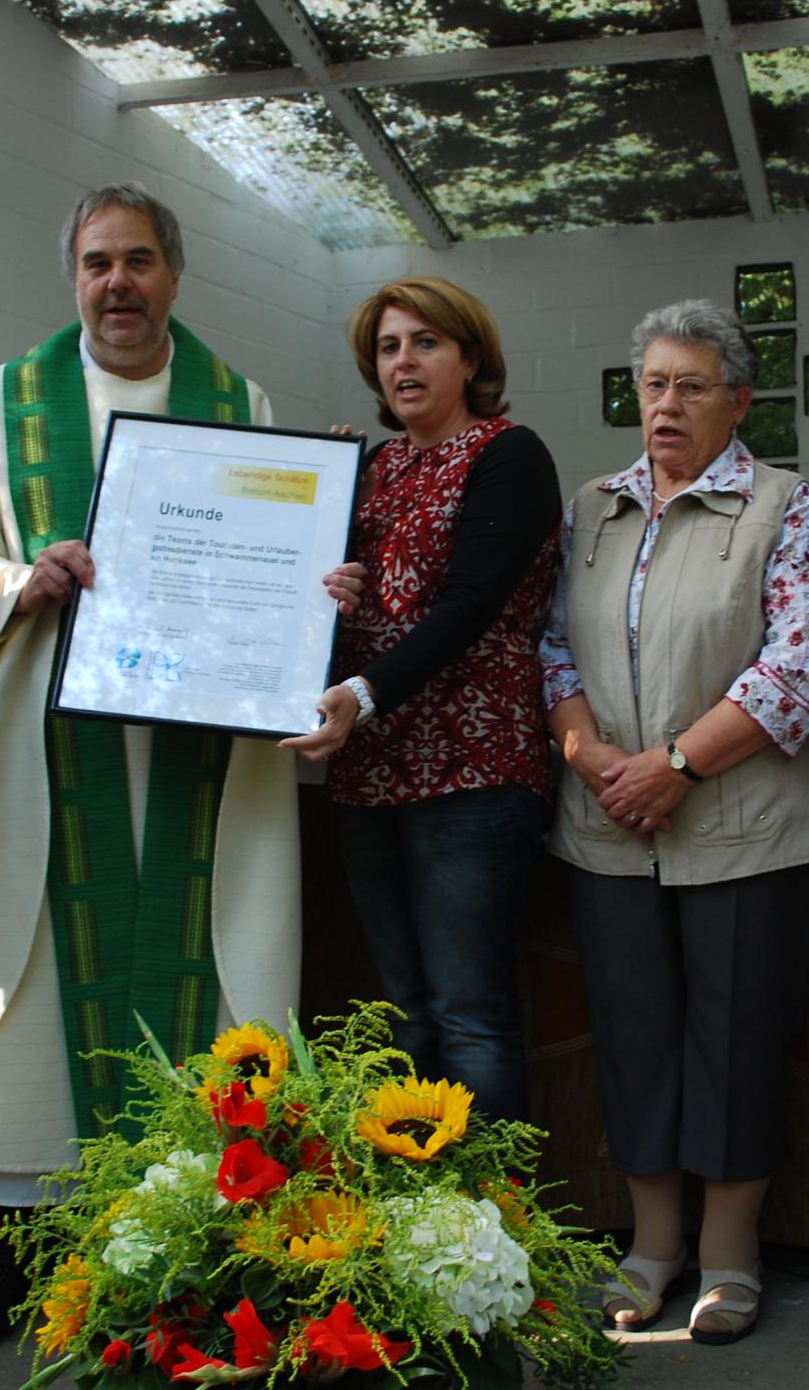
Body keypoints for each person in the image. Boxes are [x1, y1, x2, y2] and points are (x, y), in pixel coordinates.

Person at [0, 182, 301, 1339]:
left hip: (197, 755)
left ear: (173, 274)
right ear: (72, 275)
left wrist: (306, 595)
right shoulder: (9, 400)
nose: (115, 283)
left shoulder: (238, 400)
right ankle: (4, 1260)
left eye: (136, 260)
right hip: (46, 750)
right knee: (33, 987)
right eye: (95, 263)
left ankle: (201, 1253)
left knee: (205, 969)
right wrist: (15, 583)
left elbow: (274, 556)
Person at [538, 299, 809, 1346]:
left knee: (735, 1043)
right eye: (652, 384)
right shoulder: (592, 507)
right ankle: (650, 1248)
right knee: (633, 1042)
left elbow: (801, 661)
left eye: (691, 386)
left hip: (751, 833)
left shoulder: (782, 504)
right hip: (609, 829)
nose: (664, 405)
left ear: (737, 400)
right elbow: (550, 653)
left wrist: (671, 766)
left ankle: (728, 1258)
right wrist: (594, 762)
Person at [281, 277, 560, 1124]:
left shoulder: (508, 455)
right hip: (370, 771)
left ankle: (494, 1232)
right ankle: (419, 1232)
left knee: (469, 1014)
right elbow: (346, 605)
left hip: (472, 771)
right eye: (389, 347)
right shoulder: (370, 468)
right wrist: (325, 563)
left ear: (470, 357)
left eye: (426, 342)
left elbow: (470, 606)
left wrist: (363, 692)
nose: (404, 362)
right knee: (402, 1017)